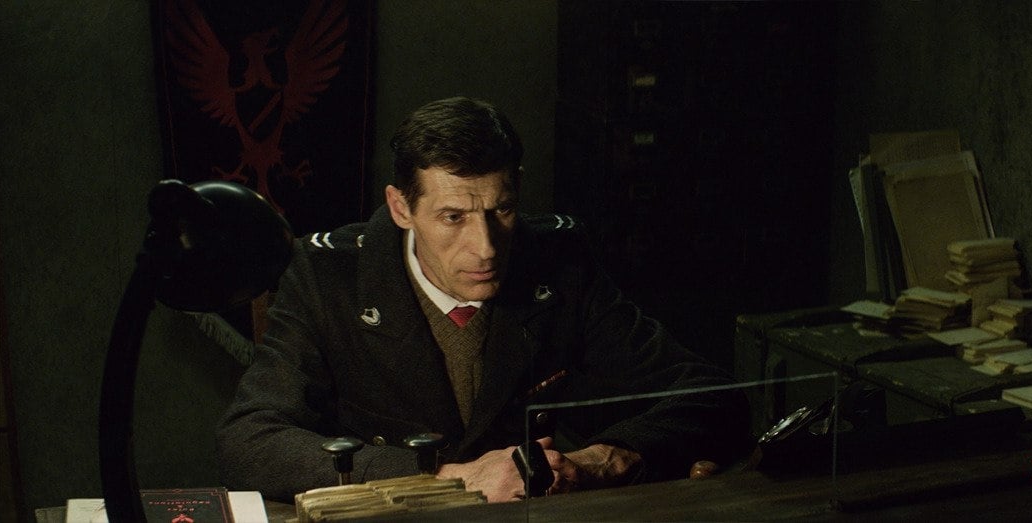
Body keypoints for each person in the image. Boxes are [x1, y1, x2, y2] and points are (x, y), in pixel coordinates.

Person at [216, 96, 752, 502]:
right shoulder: (328, 275)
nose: (486, 247)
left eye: (502, 210)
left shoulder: (561, 263)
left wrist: (605, 460)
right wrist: (448, 478)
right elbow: (249, 440)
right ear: (401, 208)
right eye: (453, 217)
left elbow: (713, 396)